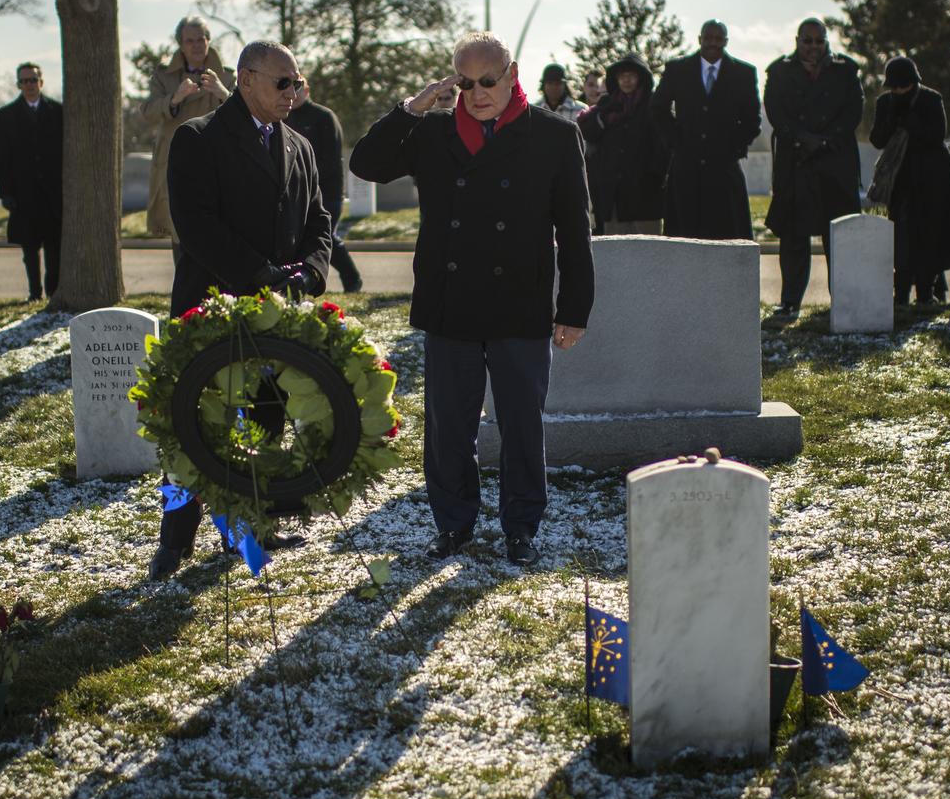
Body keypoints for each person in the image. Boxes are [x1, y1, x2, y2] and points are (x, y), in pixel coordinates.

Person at [349, 31, 595, 568]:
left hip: (521, 301)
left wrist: (574, 309)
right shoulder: (432, 131)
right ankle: (454, 524)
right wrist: (412, 107)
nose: (478, 92)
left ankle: (521, 527)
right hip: (450, 299)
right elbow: (366, 164)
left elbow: (575, 228)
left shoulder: (553, 135)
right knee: (448, 427)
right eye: (465, 82)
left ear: (511, 74)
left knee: (522, 424)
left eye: (488, 80)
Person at [149, 40, 333, 582]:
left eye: (297, 83)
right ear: (246, 79)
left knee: (264, 416)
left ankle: (253, 527)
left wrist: (312, 273)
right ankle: (175, 540)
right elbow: (198, 223)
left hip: (276, 311)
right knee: (193, 425)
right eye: (283, 83)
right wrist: (259, 272)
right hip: (211, 305)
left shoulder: (299, 145)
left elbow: (320, 219)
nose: (293, 93)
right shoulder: (198, 138)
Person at [763, 18, 864, 319]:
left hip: (835, 161)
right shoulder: (779, 71)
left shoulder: (846, 71)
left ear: (826, 42)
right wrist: (802, 139)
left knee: (839, 237)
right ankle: (790, 300)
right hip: (795, 164)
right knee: (793, 237)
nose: (813, 47)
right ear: (797, 41)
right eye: (807, 41)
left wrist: (823, 141)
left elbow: (853, 112)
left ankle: (844, 300)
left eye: (818, 41)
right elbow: (775, 111)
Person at [651, 19, 762, 239]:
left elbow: (752, 120)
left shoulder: (743, 73)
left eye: (718, 39)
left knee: (726, 236)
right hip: (686, 167)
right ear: (700, 39)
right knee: (684, 237)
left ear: (726, 41)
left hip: (724, 167)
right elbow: (658, 108)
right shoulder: (678, 69)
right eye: (708, 38)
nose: (713, 43)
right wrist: (676, 141)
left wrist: (733, 148)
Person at [869, 56, 950, 304]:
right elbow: (877, 139)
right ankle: (900, 292)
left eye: (904, 86)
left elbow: (936, 135)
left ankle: (926, 291)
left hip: (931, 177)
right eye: (895, 87)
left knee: (930, 233)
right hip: (900, 179)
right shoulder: (885, 102)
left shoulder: (931, 99)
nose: (899, 91)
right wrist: (892, 118)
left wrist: (910, 123)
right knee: (901, 236)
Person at [140, 16, 234, 264]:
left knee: (218, 227)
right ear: (180, 44)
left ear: (209, 40)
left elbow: (247, 115)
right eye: (189, 40)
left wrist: (223, 93)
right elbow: (148, 112)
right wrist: (175, 98)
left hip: (216, 163)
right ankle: (185, 293)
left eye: (201, 39)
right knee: (179, 228)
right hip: (175, 160)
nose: (196, 45)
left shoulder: (228, 76)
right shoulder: (163, 76)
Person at [285, 75, 364, 292]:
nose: (294, 92)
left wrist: (306, 180)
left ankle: (352, 279)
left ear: (307, 91)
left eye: (299, 87)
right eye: (290, 86)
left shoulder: (324, 117)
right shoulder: (283, 117)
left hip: (327, 192)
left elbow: (330, 160)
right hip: (295, 194)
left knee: (324, 235)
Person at [0, 62, 63, 301]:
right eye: (24, 81)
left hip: (53, 194)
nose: (29, 85)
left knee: (54, 248)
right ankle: (35, 292)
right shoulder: (6, 116)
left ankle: (53, 291)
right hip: (24, 194)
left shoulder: (58, 111)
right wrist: (6, 193)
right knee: (29, 248)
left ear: (41, 82)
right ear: (18, 85)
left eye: (33, 80)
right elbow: (1, 157)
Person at [577, 53, 665, 235]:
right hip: (614, 198)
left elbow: (663, 148)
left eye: (631, 76)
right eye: (622, 76)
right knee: (616, 256)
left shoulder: (653, 106)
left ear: (641, 78)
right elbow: (588, 131)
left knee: (649, 253)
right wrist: (602, 116)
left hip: (645, 196)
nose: (626, 81)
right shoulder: (608, 105)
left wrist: (654, 177)